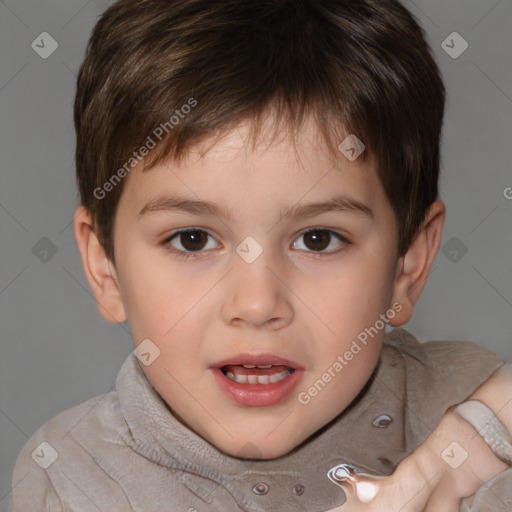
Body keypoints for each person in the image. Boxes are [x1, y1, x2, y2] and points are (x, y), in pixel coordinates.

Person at [11, 0, 512, 510]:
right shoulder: (72, 477)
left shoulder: (472, 412)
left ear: (407, 263)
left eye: (317, 239)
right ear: (106, 269)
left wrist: (469, 446)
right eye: (192, 240)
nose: (256, 304)